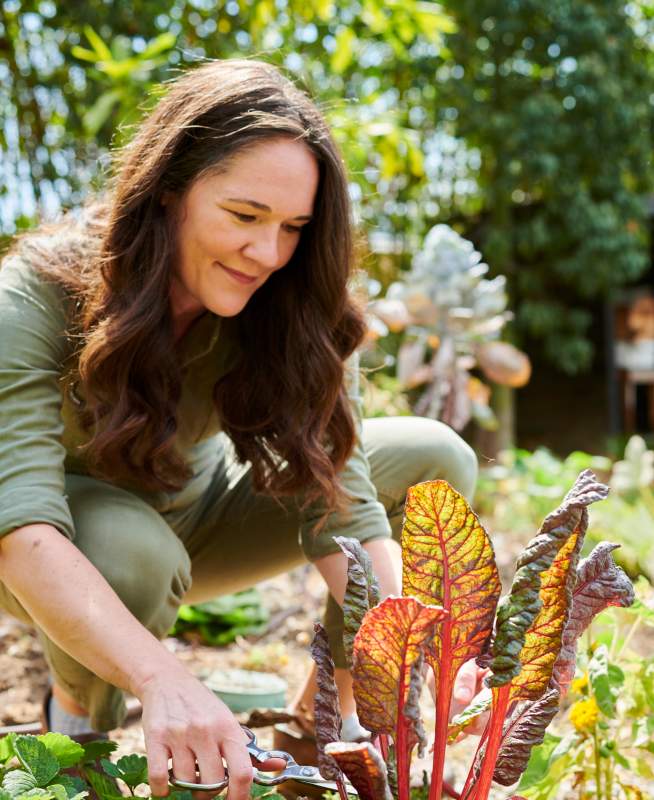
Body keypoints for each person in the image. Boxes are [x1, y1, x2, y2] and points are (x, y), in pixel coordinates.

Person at [0, 59, 480, 799]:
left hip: (199, 512)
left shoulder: (288, 302)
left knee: (432, 456)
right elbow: (20, 527)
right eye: (245, 216)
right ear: (167, 192)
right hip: (64, 548)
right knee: (133, 554)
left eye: (293, 227)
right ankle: (74, 742)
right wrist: (165, 678)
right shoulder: (36, 294)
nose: (268, 254)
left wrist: (419, 654)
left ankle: (330, 729)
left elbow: (343, 508)